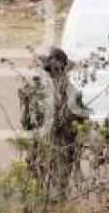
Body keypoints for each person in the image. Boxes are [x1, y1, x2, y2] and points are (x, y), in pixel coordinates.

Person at [18, 47, 86, 197]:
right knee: (57, 194)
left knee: (37, 193)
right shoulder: (72, 92)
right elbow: (83, 125)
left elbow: (26, 123)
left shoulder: (35, 89)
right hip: (59, 151)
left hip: (41, 150)